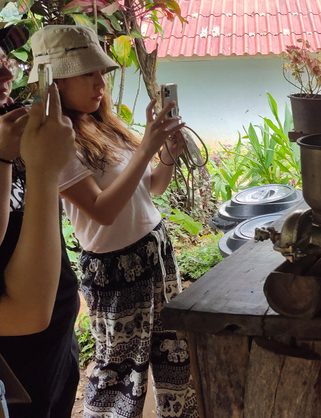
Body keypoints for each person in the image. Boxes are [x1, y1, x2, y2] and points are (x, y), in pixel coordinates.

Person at [29, 24, 198, 418]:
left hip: (155, 250)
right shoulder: (57, 140)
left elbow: (153, 186)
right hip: (115, 270)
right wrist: (148, 146)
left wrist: (167, 152)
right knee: (117, 375)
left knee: (172, 354)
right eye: (87, 73)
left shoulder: (107, 124)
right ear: (55, 82)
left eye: (101, 72)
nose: (99, 83)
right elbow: (102, 211)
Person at [0, 30, 80, 418]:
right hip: (18, 361)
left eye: (4, 57)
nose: (6, 74)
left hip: (57, 344)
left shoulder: (9, 131)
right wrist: (45, 171)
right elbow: (27, 313)